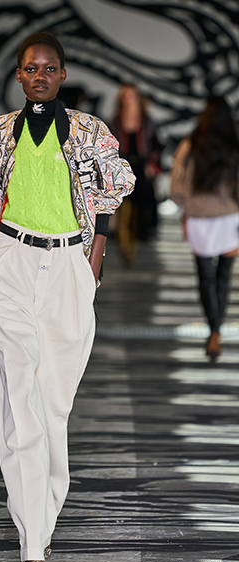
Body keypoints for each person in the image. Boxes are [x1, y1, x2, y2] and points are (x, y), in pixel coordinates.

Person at [0, 32, 135, 562]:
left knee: (53, 405)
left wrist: (94, 259)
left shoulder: (87, 132)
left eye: (49, 68)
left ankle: (45, 515)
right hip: (10, 262)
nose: (39, 76)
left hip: (69, 266)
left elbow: (110, 192)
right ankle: (32, 535)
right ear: (18, 74)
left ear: (62, 74)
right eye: (30, 68)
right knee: (19, 394)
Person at [170, 96, 239, 361]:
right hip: (229, 218)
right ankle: (215, 331)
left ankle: (214, 330)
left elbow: (177, 183)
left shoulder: (192, 144)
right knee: (223, 277)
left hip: (199, 218)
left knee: (205, 278)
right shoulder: (234, 145)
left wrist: (185, 206)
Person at [110, 84, 162, 265]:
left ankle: (135, 245)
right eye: (124, 95)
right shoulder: (115, 121)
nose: (128, 99)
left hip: (141, 168)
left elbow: (156, 145)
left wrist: (152, 164)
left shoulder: (147, 122)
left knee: (141, 210)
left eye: (131, 95)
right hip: (122, 167)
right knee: (124, 210)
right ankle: (126, 248)